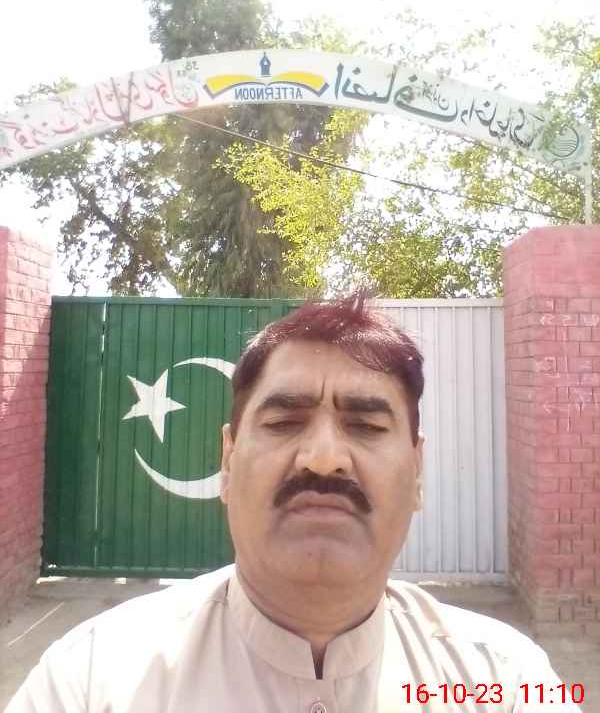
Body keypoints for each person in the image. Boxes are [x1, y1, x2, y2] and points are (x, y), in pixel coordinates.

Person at [7, 293, 581, 712]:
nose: (324, 459)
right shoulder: (91, 681)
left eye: (366, 426)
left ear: (418, 471)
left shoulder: (504, 681)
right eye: (283, 422)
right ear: (228, 461)